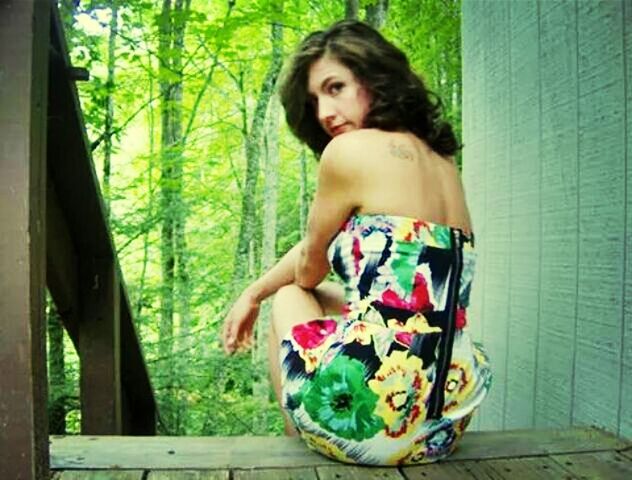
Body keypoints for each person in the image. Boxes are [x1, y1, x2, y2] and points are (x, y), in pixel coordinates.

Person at [222, 20, 492, 465]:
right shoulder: (443, 164)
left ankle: (304, 448)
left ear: (376, 78)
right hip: (444, 424)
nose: (325, 112)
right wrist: (252, 290)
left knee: (291, 294)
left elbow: (310, 266)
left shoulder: (349, 152)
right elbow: (324, 249)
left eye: (336, 87)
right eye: (315, 100)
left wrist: (255, 295)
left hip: (373, 426)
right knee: (359, 306)